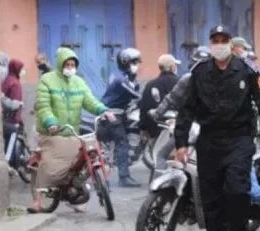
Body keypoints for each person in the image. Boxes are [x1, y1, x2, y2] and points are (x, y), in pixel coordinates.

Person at [174, 25, 260, 231]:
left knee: (237, 192)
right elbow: (186, 109)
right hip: (209, 141)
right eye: (215, 40)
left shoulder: (247, 70)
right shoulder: (199, 72)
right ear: (210, 44)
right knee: (211, 199)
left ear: (231, 44)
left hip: (239, 140)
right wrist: (181, 143)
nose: (220, 44)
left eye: (224, 40)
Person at [30, 48, 112, 213]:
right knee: (49, 164)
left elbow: (90, 101)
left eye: (73, 65)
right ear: (60, 64)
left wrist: (103, 110)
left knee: (82, 159)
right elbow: (43, 106)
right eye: (67, 64)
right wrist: (51, 122)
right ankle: (38, 201)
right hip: (52, 132)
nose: (70, 68)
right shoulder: (47, 80)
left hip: (71, 132)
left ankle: (76, 194)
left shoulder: (79, 82)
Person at [100, 47, 143, 187]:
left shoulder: (123, 76)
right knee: (122, 142)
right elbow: (136, 95)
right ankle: (124, 177)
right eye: (134, 62)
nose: (137, 66)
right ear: (125, 62)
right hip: (112, 114)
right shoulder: (121, 80)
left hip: (118, 113)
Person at [139, 54, 180, 146]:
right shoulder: (181, 82)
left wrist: (142, 128)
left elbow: (144, 108)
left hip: (155, 130)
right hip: (178, 127)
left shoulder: (150, 84)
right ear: (172, 67)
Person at [1, 59, 25, 160]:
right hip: (12, 120)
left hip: (4, 118)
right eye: (21, 69)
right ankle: (8, 161)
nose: (23, 71)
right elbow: (14, 105)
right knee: (11, 139)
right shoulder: (15, 83)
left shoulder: (6, 80)